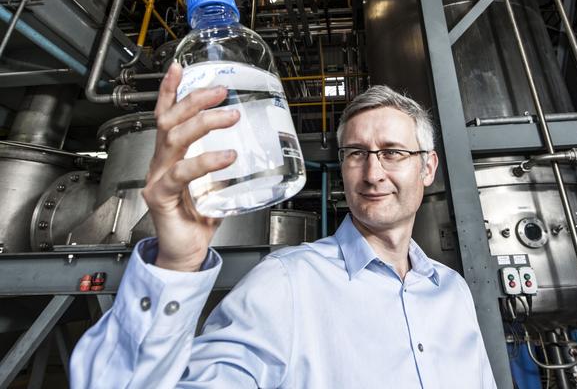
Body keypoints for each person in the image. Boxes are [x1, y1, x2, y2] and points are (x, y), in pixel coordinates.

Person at [70, 62, 496, 388]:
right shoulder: (287, 283)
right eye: (355, 153)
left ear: (428, 168)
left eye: (392, 152)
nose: (372, 173)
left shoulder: (452, 292)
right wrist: (175, 265)